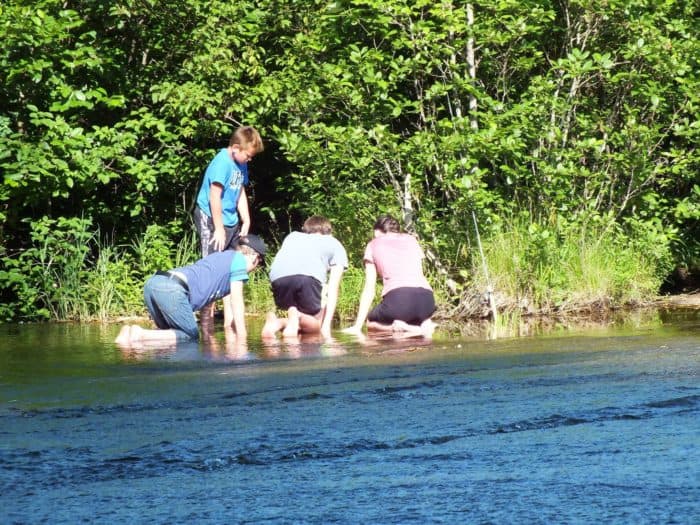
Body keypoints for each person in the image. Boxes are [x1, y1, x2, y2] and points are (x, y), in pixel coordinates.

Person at [115, 234, 267, 346]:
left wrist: (208, 334)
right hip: (173, 288)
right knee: (190, 336)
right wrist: (242, 341)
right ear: (255, 257)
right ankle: (138, 334)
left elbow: (207, 301)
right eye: (259, 264)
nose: (254, 269)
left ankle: (126, 336)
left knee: (167, 334)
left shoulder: (220, 258)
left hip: (153, 283)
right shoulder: (240, 260)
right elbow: (237, 302)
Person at [194, 126, 264, 323]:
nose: (249, 160)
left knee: (232, 266)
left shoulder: (240, 163)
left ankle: (229, 322)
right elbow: (213, 196)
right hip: (211, 218)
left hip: (231, 219)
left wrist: (246, 218)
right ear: (235, 148)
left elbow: (240, 189)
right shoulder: (221, 163)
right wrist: (218, 228)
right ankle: (206, 321)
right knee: (212, 268)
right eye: (248, 156)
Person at [343, 214, 436, 338]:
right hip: (427, 300)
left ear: (377, 231)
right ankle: (424, 322)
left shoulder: (373, 244)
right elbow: (419, 273)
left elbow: (369, 289)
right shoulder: (411, 240)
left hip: (400, 299)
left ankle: (403, 328)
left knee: (370, 324)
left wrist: (357, 326)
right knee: (408, 313)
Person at [261, 216, 348, 339]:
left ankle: (278, 323)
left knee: (297, 322)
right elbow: (333, 288)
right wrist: (325, 326)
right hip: (307, 278)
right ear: (329, 232)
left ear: (305, 229)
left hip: (278, 280)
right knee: (315, 326)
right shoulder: (334, 243)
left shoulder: (292, 236)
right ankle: (296, 316)